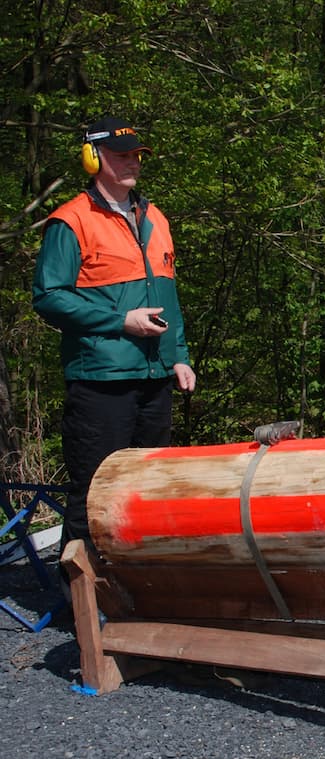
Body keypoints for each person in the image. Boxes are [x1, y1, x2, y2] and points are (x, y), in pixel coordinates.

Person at [33, 116, 195, 562]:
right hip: (100, 380)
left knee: (146, 492)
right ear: (94, 158)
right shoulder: (70, 221)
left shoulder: (154, 217)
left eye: (136, 155)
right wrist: (119, 321)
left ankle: (140, 588)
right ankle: (84, 600)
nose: (132, 163)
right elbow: (48, 297)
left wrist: (179, 355)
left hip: (155, 376)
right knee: (93, 494)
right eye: (121, 155)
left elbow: (169, 295)